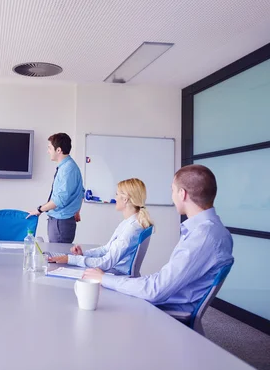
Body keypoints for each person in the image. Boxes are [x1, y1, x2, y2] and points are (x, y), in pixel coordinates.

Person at [83, 165, 234, 313]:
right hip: (164, 300)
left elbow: (156, 290)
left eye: (173, 190)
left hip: (163, 311)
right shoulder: (211, 230)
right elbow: (162, 282)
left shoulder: (203, 237)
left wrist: (104, 278)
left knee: (97, 304)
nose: (172, 196)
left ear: (182, 194)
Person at [49, 178, 153, 275]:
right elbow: (106, 249)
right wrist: (83, 254)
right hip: (113, 271)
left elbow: (106, 263)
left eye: (117, 194)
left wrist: (70, 259)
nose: (115, 198)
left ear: (125, 199)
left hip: (115, 274)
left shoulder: (132, 229)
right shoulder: (129, 223)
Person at [27, 133, 85, 243]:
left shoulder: (67, 170)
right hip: (62, 220)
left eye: (49, 148)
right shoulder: (68, 166)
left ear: (58, 150)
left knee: (57, 256)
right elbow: (81, 192)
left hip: (61, 222)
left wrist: (39, 209)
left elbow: (59, 200)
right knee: (58, 256)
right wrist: (76, 211)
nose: (47, 151)